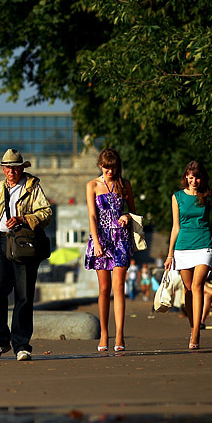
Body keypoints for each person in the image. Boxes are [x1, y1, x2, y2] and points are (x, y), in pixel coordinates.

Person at [0, 148, 52, 361]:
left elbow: (46, 213)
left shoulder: (33, 188)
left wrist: (22, 219)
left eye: (15, 168)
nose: (11, 171)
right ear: (2, 169)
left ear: (21, 168)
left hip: (24, 245)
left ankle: (22, 345)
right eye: (7, 168)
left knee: (24, 295)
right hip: (0, 243)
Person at [165, 160, 212, 349]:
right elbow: (175, 227)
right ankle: (193, 326)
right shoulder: (177, 197)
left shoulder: (209, 195)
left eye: (197, 177)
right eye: (190, 177)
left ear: (202, 178)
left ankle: (196, 334)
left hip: (204, 245)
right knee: (188, 290)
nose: (194, 181)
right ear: (186, 177)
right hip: (183, 247)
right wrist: (169, 254)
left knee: (197, 284)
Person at [85, 148, 137, 352]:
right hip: (101, 238)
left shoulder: (124, 185)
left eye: (113, 166)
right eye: (106, 166)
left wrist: (127, 216)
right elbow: (92, 215)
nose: (110, 170)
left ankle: (120, 335)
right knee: (104, 289)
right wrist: (96, 242)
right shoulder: (92, 185)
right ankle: (104, 334)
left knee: (119, 288)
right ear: (100, 165)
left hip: (120, 238)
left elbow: (133, 211)